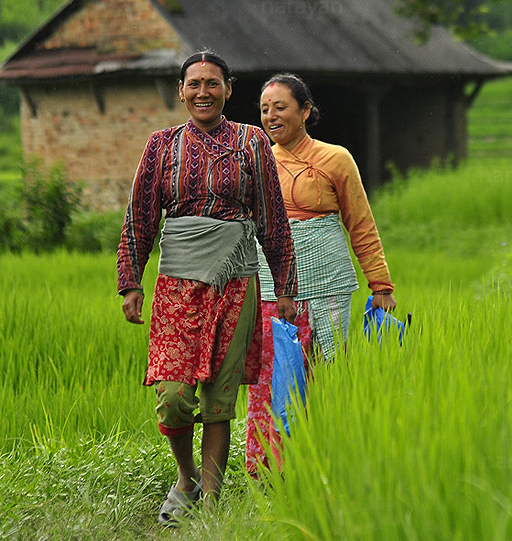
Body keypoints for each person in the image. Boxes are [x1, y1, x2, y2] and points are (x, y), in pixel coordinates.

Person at [117, 51, 298, 525]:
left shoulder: (251, 142)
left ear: (228, 89)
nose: (203, 91)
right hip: (178, 284)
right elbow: (140, 217)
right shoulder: (161, 145)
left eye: (212, 83)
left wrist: (285, 286)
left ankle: (213, 502)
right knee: (174, 395)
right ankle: (187, 477)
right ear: (181, 91)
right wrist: (130, 283)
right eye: (194, 83)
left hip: (237, 281)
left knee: (220, 396)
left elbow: (273, 218)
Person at [245, 72, 398, 475]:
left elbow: (360, 223)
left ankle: (326, 464)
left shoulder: (336, 158)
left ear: (306, 111)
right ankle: (271, 469)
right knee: (273, 375)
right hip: (271, 287)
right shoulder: (257, 160)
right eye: (264, 109)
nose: (270, 116)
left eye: (280, 107)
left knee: (329, 371)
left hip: (328, 282)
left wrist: (380, 284)